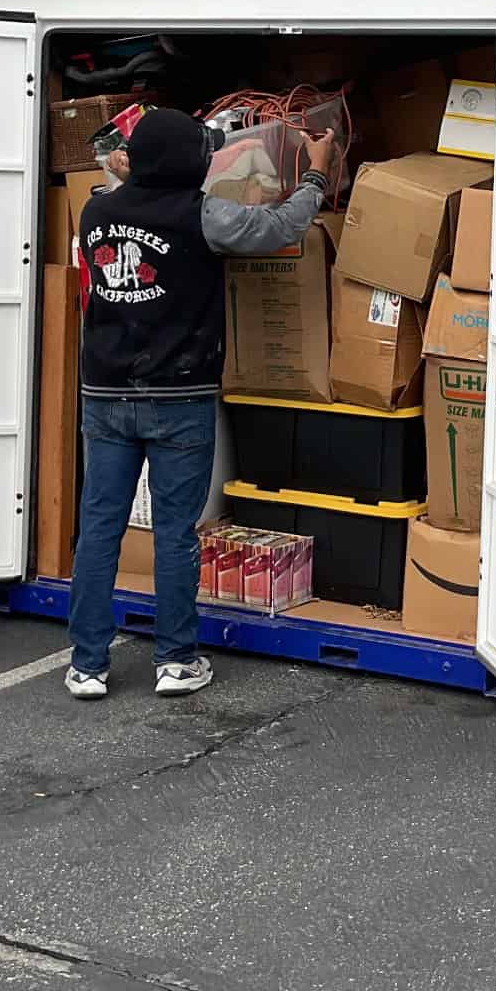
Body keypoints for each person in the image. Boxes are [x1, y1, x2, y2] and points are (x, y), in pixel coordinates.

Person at [65, 106, 335, 700]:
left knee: (99, 528)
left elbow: (127, 188)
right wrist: (316, 173)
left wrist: (125, 171)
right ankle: (176, 661)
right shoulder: (203, 216)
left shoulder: (96, 210)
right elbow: (279, 228)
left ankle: (87, 665)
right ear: (191, 163)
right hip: (177, 397)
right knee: (175, 532)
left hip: (105, 394)